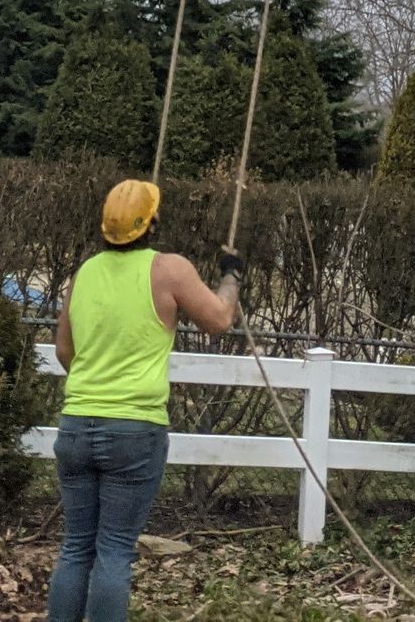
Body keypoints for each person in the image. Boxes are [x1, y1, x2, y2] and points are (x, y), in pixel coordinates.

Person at [47, 178, 241, 622]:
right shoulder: (169, 269)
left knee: (76, 547)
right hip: (134, 431)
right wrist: (231, 274)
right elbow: (218, 319)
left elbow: (64, 351)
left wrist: (96, 383)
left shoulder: (85, 273)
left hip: (77, 424)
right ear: (152, 221)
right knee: (114, 550)